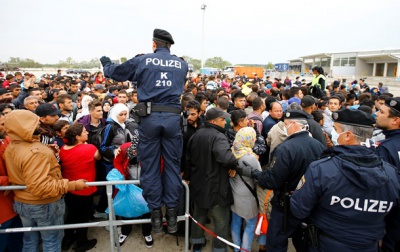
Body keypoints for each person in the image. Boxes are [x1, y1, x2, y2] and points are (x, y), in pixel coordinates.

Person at [100, 28, 188, 233]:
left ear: (154, 44)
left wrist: (106, 64)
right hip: (173, 119)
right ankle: (172, 215)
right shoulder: (182, 64)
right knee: (172, 167)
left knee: (150, 167)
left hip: (149, 119)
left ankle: (156, 215)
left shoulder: (143, 60)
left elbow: (116, 72)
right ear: (170, 45)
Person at [290, 109, 400, 252]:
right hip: (368, 245)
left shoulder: (322, 169)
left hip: (325, 244)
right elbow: (395, 220)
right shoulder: (392, 174)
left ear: (348, 135)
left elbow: (299, 209)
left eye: (336, 129)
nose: (333, 133)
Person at [238, 110, 326, 252]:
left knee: (276, 243)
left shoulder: (285, 149)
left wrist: (254, 173)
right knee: (304, 242)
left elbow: (272, 181)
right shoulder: (318, 146)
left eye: (286, 124)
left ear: (295, 125)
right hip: (309, 204)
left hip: (286, 206)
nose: (285, 127)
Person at [4, 110, 88, 251]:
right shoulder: (36, 152)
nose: (39, 125)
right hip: (44, 205)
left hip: (23, 202)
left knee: (30, 241)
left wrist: (48, 152)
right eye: (35, 123)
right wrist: (72, 185)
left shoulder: (12, 146)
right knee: (52, 241)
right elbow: (40, 187)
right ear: (25, 126)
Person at [186, 108, 237, 252]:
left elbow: (188, 160)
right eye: (222, 119)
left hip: (198, 184)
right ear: (213, 121)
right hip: (216, 187)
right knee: (221, 220)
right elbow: (227, 158)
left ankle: (197, 242)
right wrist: (234, 162)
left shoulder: (196, 135)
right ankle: (219, 248)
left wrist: (188, 177)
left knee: (199, 215)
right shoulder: (218, 137)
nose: (225, 122)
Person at [59, 123, 100, 252]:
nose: (87, 132)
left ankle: (67, 239)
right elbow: (98, 157)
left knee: (72, 215)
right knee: (83, 217)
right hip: (84, 189)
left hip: (69, 189)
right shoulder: (89, 148)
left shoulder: (63, 149)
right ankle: (82, 243)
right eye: (84, 131)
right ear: (77, 137)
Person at [113, 133, 154, 248]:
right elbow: (117, 163)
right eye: (134, 152)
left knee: (146, 207)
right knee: (128, 206)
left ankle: (147, 232)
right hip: (128, 182)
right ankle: (125, 231)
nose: (136, 154)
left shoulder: (152, 151)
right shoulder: (124, 148)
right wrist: (122, 176)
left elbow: (159, 165)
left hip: (146, 183)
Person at [375, 97, 400, 251]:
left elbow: (383, 188)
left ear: (395, 120)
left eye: (382, 112)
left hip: (393, 220)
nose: (376, 114)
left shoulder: (386, 148)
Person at [230, 127, 261, 252]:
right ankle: (245, 249)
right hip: (247, 196)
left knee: (236, 221)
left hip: (234, 192)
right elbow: (260, 176)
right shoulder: (250, 157)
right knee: (251, 224)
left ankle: (236, 247)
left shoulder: (232, 151)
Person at [0, 112, 23, 252]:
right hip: (3, 210)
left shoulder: (6, 139)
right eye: (2, 125)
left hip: (14, 202)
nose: (6, 128)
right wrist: (9, 181)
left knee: (17, 241)